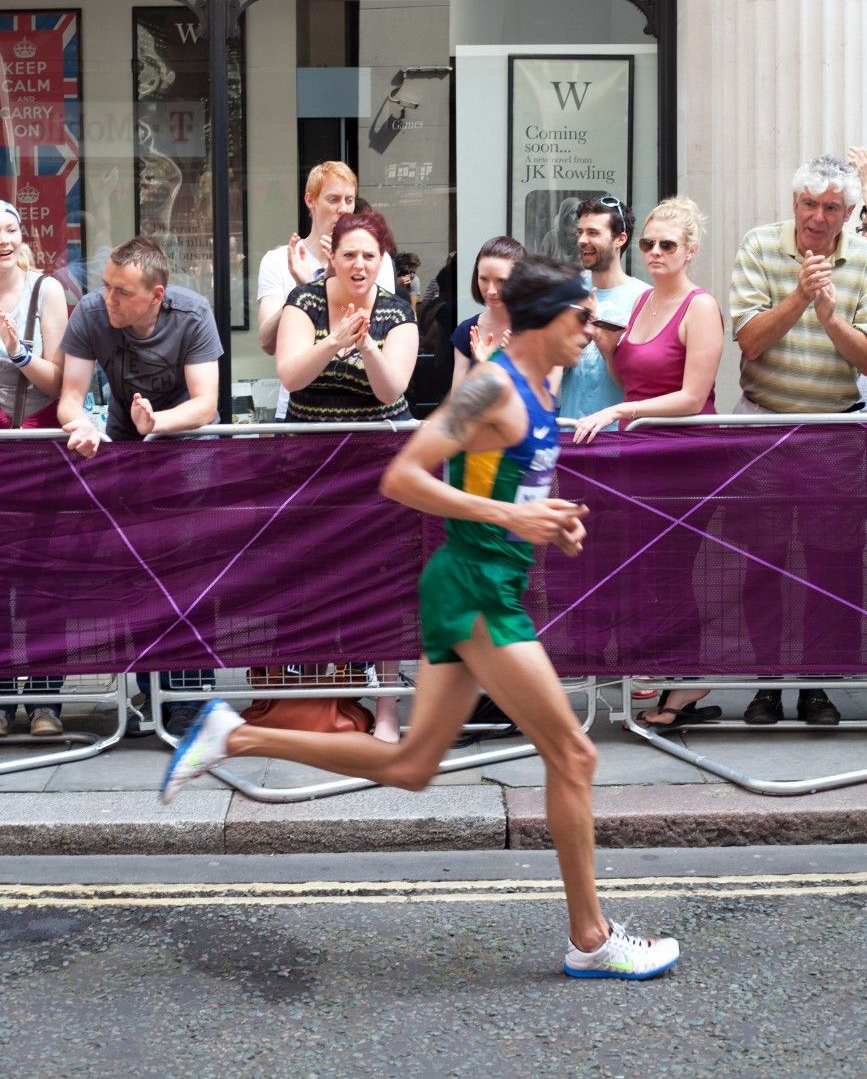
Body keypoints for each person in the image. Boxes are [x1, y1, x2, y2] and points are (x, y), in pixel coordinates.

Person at [161, 255, 680, 982]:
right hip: (474, 592)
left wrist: (548, 523)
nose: (590, 331)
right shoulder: (488, 387)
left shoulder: (538, 383)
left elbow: (514, 481)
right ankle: (590, 939)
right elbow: (401, 475)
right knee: (575, 754)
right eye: (581, 317)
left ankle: (234, 735)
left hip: (482, 581)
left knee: (410, 765)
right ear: (546, 318)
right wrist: (508, 515)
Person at [57, 235, 223, 739]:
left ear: (155, 296)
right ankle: (146, 693)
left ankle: (189, 699)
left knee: (187, 574)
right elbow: (70, 397)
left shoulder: (191, 314)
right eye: (106, 286)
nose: (107, 298)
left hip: (186, 448)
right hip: (125, 449)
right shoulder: (89, 312)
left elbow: (207, 402)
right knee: (134, 572)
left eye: (121, 292)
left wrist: (160, 421)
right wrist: (80, 425)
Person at [573, 196, 724, 728]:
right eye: (648, 244)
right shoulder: (642, 304)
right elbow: (629, 378)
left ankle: (689, 682)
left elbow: (691, 396)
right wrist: (602, 343)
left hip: (683, 460)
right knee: (647, 572)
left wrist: (620, 410)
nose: (655, 252)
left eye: (667, 245)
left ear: (690, 251)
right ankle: (666, 673)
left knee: (674, 570)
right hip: (638, 457)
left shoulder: (699, 306)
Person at [731, 154, 867, 726]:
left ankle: (818, 687)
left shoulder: (863, 258)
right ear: (793, 205)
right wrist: (800, 298)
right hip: (763, 429)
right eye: (808, 204)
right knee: (761, 565)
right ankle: (766, 687)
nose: (817, 216)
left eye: (830, 207)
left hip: (834, 435)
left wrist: (833, 319)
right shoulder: (761, 246)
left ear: (850, 212)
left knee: (831, 567)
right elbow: (750, 342)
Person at [276, 207, 418, 740]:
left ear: (382, 262)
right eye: (349, 254)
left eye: (369, 256)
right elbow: (290, 375)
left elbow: (392, 390)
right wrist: (334, 340)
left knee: (382, 581)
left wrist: (364, 345)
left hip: (378, 466)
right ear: (330, 256)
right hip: (310, 465)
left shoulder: (397, 311)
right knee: (314, 578)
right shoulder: (305, 301)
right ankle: (320, 701)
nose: (359, 264)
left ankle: (385, 706)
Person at [0, 200, 69, 737]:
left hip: (40, 444)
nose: (2, 238)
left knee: (45, 575)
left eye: (9, 228)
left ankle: (47, 701)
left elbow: (60, 382)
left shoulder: (45, 289)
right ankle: (2, 699)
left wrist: (19, 352)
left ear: (21, 237)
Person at [257, 162, 396, 420]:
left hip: (366, 407)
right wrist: (302, 293)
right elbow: (267, 342)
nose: (343, 209)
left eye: (349, 200)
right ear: (310, 200)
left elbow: (381, 330)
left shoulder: (376, 259)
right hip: (300, 407)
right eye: (333, 199)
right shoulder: (278, 260)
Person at [559, 196, 649, 425]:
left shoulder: (645, 298)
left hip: (618, 439)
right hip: (570, 432)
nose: (582, 240)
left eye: (593, 233)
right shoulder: (566, 290)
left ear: (620, 239)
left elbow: (642, 385)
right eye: (580, 232)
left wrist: (609, 350)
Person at [450, 236, 526, 388]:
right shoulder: (466, 331)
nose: (491, 290)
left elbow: (543, 400)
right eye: (484, 279)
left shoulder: (540, 329)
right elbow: (457, 403)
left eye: (502, 281)